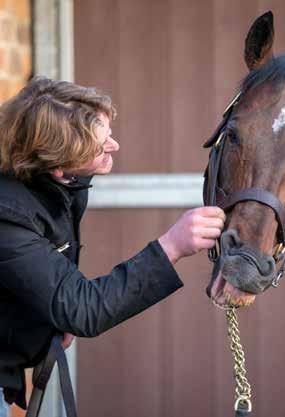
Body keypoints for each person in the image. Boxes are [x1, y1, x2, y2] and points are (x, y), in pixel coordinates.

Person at [0, 77, 225, 413]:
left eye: (108, 133)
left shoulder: (58, 181)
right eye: (100, 145)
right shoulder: (8, 216)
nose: (114, 145)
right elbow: (82, 308)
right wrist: (173, 245)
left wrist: (52, 316)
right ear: (58, 167)